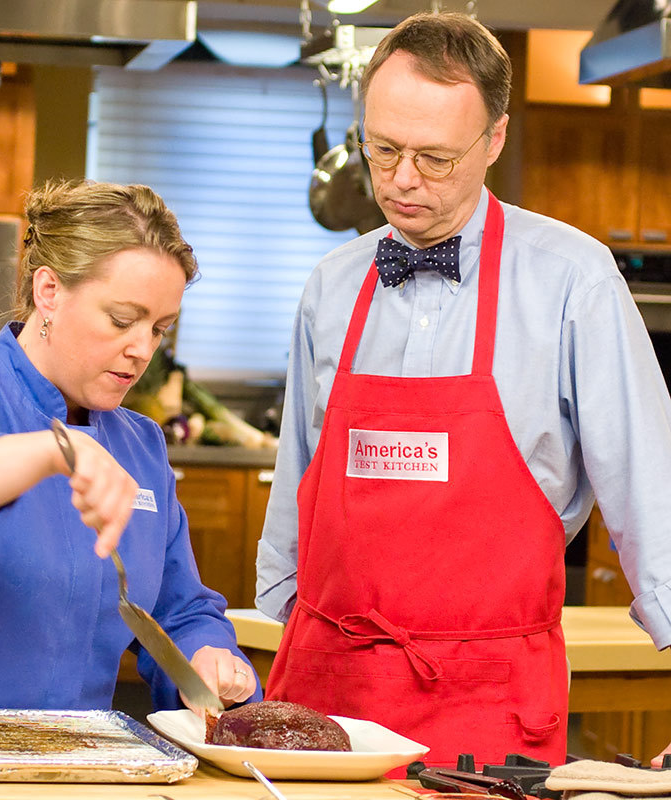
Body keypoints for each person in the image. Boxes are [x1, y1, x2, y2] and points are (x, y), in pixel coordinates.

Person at [256, 11, 671, 767]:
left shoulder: (572, 282)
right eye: (382, 149)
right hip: (325, 700)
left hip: (488, 710)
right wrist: (267, 637)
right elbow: (297, 482)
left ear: (495, 141)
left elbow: (652, 487)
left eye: (435, 158)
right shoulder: (332, 284)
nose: (402, 178)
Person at [0, 178, 260, 714]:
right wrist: (50, 452)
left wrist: (210, 658)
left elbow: (180, 610)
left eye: (160, 329)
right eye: (122, 320)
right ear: (48, 290)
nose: (141, 349)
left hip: (72, 766)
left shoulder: (141, 444)